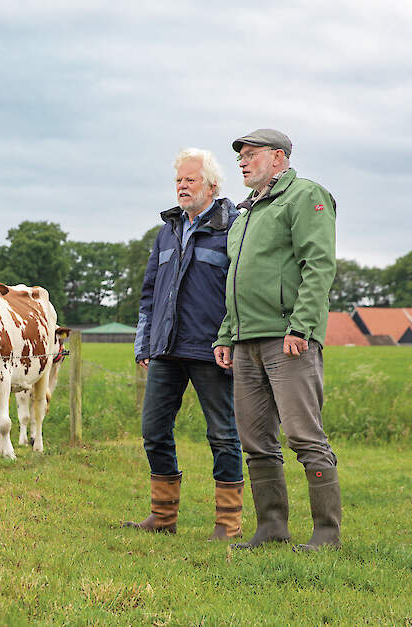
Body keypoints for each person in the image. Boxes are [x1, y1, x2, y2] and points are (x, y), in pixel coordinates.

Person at [213, 129, 341, 552]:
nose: (242, 162)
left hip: (288, 339)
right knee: (255, 441)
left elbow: (318, 265)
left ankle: (326, 533)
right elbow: (236, 282)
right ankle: (271, 527)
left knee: (304, 436)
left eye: (251, 154)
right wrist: (227, 334)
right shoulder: (245, 214)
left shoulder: (304, 196)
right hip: (245, 341)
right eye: (240, 157)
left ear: (279, 158)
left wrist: (301, 327)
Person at [124, 148, 244, 539]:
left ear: (212, 186)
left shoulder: (233, 227)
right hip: (166, 349)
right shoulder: (168, 230)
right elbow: (149, 292)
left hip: (213, 349)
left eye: (190, 180)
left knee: (223, 435)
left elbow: (240, 291)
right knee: (154, 430)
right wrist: (145, 342)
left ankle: (228, 523)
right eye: (178, 180)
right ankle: (162, 517)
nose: (182, 186)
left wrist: (231, 339)